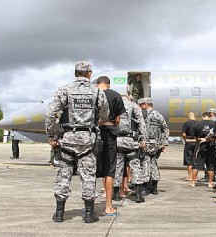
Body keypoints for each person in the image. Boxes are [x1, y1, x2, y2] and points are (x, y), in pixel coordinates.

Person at [45, 61, 109, 223]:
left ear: (75, 74)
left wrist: (52, 136)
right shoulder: (97, 92)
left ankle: (59, 213)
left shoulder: (65, 90)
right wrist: (96, 123)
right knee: (88, 175)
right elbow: (105, 114)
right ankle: (88, 213)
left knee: (63, 175)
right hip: (88, 140)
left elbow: (50, 115)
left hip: (67, 139)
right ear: (89, 74)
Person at [96, 76, 126, 215]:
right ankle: (108, 206)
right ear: (108, 84)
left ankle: (90, 206)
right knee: (109, 171)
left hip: (93, 134)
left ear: (97, 84)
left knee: (90, 170)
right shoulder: (115, 95)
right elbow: (118, 119)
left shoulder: (92, 93)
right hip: (109, 135)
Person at [113, 95, 147, 203]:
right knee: (135, 167)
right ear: (129, 98)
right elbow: (141, 123)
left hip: (118, 140)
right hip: (131, 141)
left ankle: (116, 194)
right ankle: (138, 194)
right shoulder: (134, 106)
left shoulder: (115, 106)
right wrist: (143, 140)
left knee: (118, 167)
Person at [139, 98, 169, 195]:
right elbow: (165, 129)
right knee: (154, 163)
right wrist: (164, 143)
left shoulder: (142, 114)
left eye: (141, 105)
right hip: (156, 144)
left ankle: (145, 187)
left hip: (145, 143)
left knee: (145, 164)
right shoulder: (159, 115)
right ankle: (154, 187)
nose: (140, 107)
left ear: (145, 104)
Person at [190, 112, 216, 188]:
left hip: (200, 146)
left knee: (196, 165)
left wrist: (200, 139)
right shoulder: (214, 124)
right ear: (210, 116)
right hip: (211, 146)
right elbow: (215, 135)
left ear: (202, 116)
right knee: (210, 165)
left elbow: (195, 137)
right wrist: (208, 139)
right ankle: (210, 183)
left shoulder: (197, 124)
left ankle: (193, 182)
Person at [181, 112, 197, 182]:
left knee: (189, 160)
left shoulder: (187, 123)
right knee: (195, 160)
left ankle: (189, 176)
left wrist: (185, 140)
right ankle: (195, 177)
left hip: (189, 142)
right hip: (196, 143)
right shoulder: (198, 123)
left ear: (188, 116)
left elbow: (184, 134)